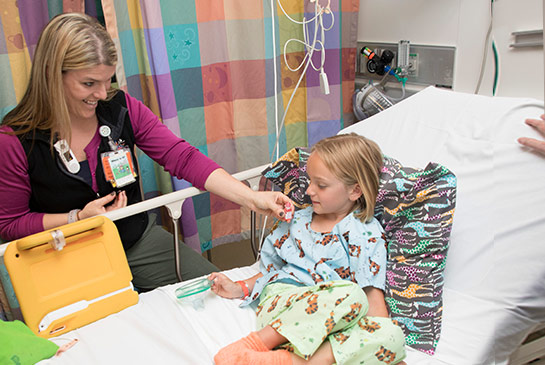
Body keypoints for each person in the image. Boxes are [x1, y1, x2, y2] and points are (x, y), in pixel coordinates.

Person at [0, 13, 291, 291]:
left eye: (107, 81)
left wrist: (250, 197)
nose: (102, 94)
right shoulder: (15, 139)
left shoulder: (120, 109)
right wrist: (77, 218)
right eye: (89, 83)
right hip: (65, 255)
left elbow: (182, 157)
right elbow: (10, 224)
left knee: (218, 293)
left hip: (135, 241)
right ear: (52, 75)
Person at [209, 133, 406, 365]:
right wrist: (239, 287)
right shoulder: (297, 220)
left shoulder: (366, 233)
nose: (309, 190)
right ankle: (253, 345)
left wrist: (379, 340)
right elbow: (273, 271)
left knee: (393, 336)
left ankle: (294, 361)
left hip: (326, 331)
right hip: (283, 315)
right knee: (351, 295)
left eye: (321, 185)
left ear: (355, 191)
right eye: (310, 180)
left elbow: (374, 300)